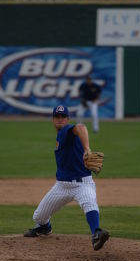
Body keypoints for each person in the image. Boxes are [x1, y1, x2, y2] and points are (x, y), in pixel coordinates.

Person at [24, 105, 109, 251]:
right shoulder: (61, 134)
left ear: (68, 119)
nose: (60, 119)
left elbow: (81, 127)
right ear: (52, 119)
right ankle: (44, 228)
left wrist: (87, 149)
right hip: (61, 186)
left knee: (90, 204)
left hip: (83, 183)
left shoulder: (67, 130)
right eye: (57, 116)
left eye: (63, 116)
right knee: (38, 216)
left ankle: (96, 233)